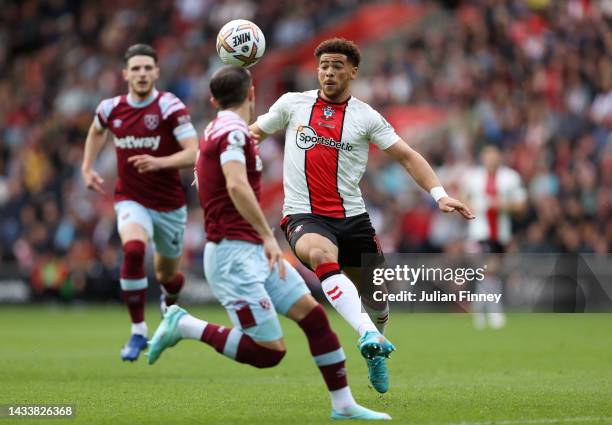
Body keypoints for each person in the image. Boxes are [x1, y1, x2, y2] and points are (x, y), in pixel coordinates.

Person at [147, 65, 390, 420]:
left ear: (213, 99)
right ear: (251, 95)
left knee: (315, 319)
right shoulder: (232, 133)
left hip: (250, 251)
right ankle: (185, 325)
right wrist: (267, 236)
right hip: (234, 256)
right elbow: (235, 184)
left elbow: (213, 173)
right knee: (269, 352)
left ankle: (343, 405)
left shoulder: (218, 128)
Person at [249, 38, 475, 393]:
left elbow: (408, 156)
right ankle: (366, 332)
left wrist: (440, 194)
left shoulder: (366, 117)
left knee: (377, 298)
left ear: (353, 72)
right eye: (323, 65)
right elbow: (253, 133)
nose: (328, 72)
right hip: (303, 215)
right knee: (322, 256)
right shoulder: (292, 105)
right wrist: (218, 162)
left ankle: (376, 348)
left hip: (352, 219)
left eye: (337, 65)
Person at [81, 44, 198, 361]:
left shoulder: (169, 106)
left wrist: (160, 163)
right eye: (136, 68)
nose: (142, 74)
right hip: (131, 199)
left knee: (168, 277)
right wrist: (87, 167)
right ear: (125, 74)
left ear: (157, 72)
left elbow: (193, 152)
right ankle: (137, 331)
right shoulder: (110, 108)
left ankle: (169, 302)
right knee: (133, 250)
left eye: (148, 68)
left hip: (170, 205)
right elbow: (95, 131)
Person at [462, 144, 527, 328]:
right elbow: (462, 199)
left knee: (491, 272)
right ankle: (494, 311)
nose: (490, 159)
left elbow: (521, 205)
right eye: (487, 155)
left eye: (494, 155)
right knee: (489, 269)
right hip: (479, 232)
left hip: (502, 234)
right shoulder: (473, 177)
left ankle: (479, 308)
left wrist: (500, 205)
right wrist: (472, 206)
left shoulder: (511, 177)